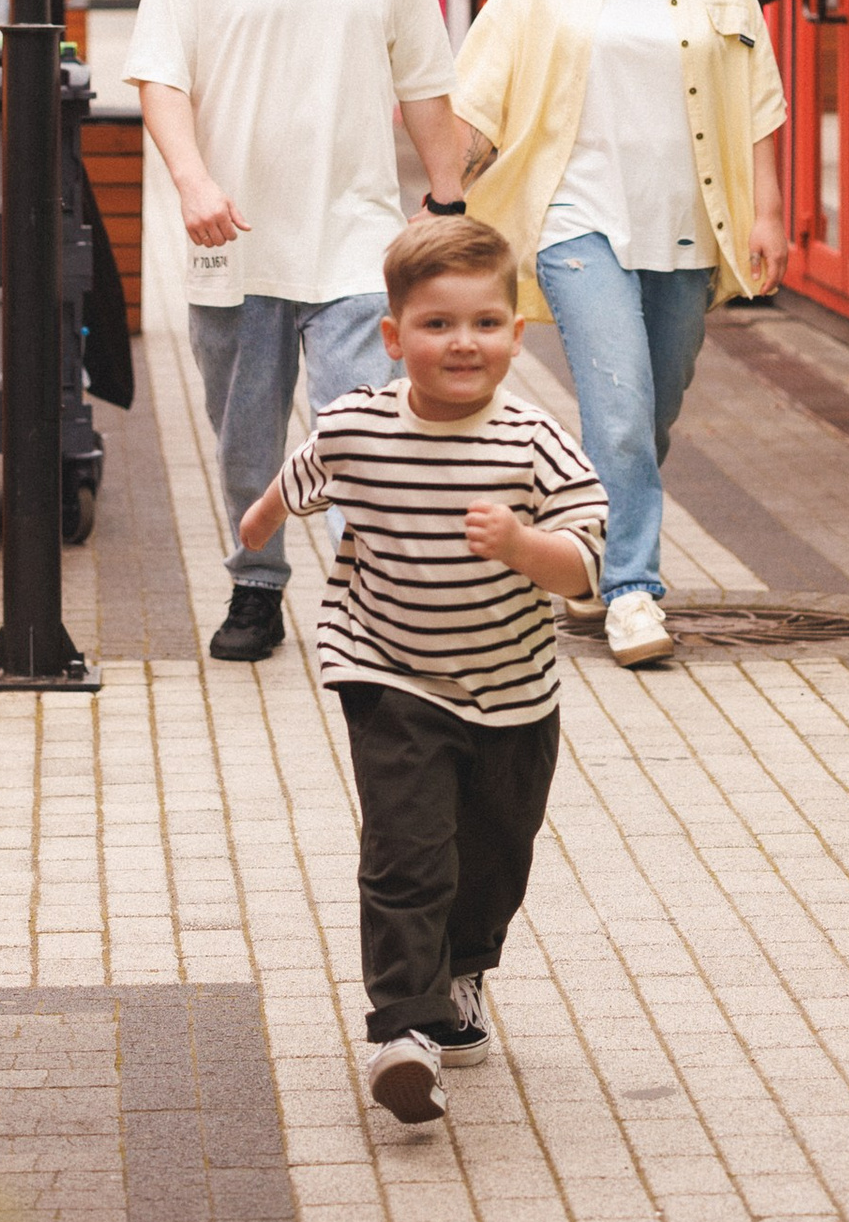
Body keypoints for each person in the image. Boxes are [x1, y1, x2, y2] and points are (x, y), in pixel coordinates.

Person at [240, 213, 607, 1127]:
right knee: (406, 852)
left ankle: (465, 967)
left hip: (514, 694)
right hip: (388, 670)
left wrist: (526, 546)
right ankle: (404, 1029)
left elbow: (588, 574)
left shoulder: (535, 443)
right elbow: (300, 479)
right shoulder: (357, 424)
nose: (463, 342)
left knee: (493, 855)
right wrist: (256, 530)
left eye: (485, 323)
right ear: (395, 337)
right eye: (438, 324)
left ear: (516, 338)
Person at [128, 0, 464, 663]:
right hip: (231, 238)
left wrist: (449, 203)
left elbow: (427, 85)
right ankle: (256, 583)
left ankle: (372, 591)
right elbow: (161, 75)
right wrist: (194, 182)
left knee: (361, 420)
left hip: (357, 234)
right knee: (245, 433)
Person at [449, 0, 787, 673]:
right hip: (576, 219)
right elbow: (480, 97)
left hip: (685, 222)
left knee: (650, 412)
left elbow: (758, 99)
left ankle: (588, 530)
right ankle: (631, 588)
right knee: (621, 410)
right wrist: (444, 197)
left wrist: (771, 212)